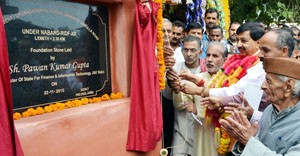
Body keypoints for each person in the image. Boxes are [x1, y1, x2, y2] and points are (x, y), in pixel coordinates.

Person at [202, 28, 295, 123]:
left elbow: (286, 121)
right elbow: (242, 94)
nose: (260, 55)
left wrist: (253, 115)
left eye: (266, 50)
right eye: (260, 50)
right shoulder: (261, 68)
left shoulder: (294, 77)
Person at [220, 57, 300, 156]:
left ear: (288, 87)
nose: (262, 86)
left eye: (268, 81)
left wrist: (248, 141)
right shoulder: (269, 110)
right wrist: (246, 140)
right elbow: (257, 144)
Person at [181, 42, 225, 156]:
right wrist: (176, 86)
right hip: (200, 131)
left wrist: (199, 109)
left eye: (215, 56)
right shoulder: (198, 77)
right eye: (208, 55)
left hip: (220, 134)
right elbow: (181, 101)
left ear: (224, 59)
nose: (210, 59)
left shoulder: (229, 80)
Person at [166, 35, 204, 156]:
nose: (188, 53)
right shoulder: (175, 68)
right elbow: (166, 96)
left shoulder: (206, 68)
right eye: (185, 50)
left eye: (193, 50)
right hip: (181, 127)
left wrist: (197, 106)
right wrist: (171, 85)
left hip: (201, 129)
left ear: (200, 52)